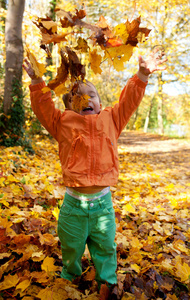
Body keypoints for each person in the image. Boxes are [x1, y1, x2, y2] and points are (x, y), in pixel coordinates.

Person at [23, 49, 167, 290]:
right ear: (68, 106)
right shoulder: (62, 122)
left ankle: (107, 283)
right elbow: (43, 108)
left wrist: (142, 74)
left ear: (100, 103)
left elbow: (129, 100)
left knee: (105, 247)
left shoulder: (112, 119)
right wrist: (38, 82)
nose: (86, 99)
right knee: (71, 246)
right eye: (78, 97)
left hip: (103, 205)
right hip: (73, 207)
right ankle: (70, 278)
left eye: (92, 95)